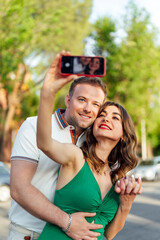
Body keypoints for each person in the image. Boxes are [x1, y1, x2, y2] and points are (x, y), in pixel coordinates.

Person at [9, 51, 142, 240]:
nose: (89, 108)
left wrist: (126, 202)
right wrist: (66, 222)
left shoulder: (92, 143)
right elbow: (19, 189)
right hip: (30, 233)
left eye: (96, 104)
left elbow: (108, 231)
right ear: (68, 100)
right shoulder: (34, 125)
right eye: (82, 100)